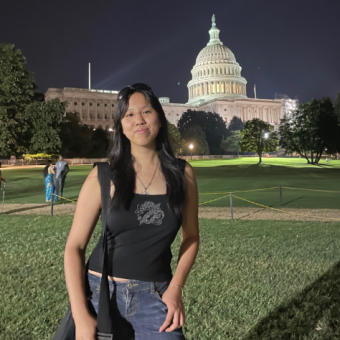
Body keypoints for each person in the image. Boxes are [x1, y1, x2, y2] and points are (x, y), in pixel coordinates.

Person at [64, 83, 200, 340]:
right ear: (121, 126)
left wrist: (176, 288)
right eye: (129, 114)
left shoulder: (183, 175)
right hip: (101, 294)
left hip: (156, 295)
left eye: (146, 111)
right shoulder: (103, 176)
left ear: (159, 118)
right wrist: (81, 316)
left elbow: (191, 236)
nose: (139, 120)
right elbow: (74, 247)